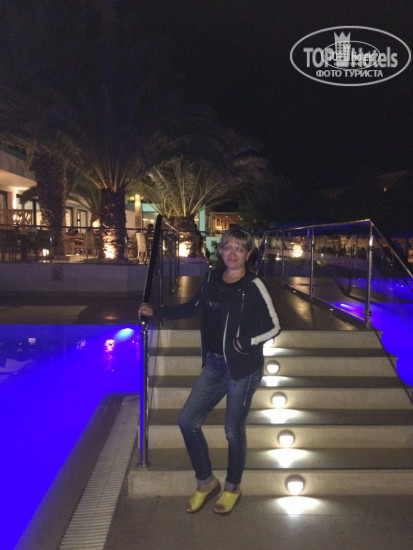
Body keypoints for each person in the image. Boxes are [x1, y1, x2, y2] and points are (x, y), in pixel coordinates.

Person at [138, 227, 280, 515]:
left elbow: (274, 325)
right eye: (228, 247)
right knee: (187, 421)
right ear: (220, 250)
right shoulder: (212, 278)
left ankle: (232, 487)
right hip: (214, 364)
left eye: (239, 248)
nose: (232, 253)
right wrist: (158, 312)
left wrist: (244, 342)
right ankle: (206, 481)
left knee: (233, 431)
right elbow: (193, 307)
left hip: (241, 368)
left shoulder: (253, 284)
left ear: (248, 254)